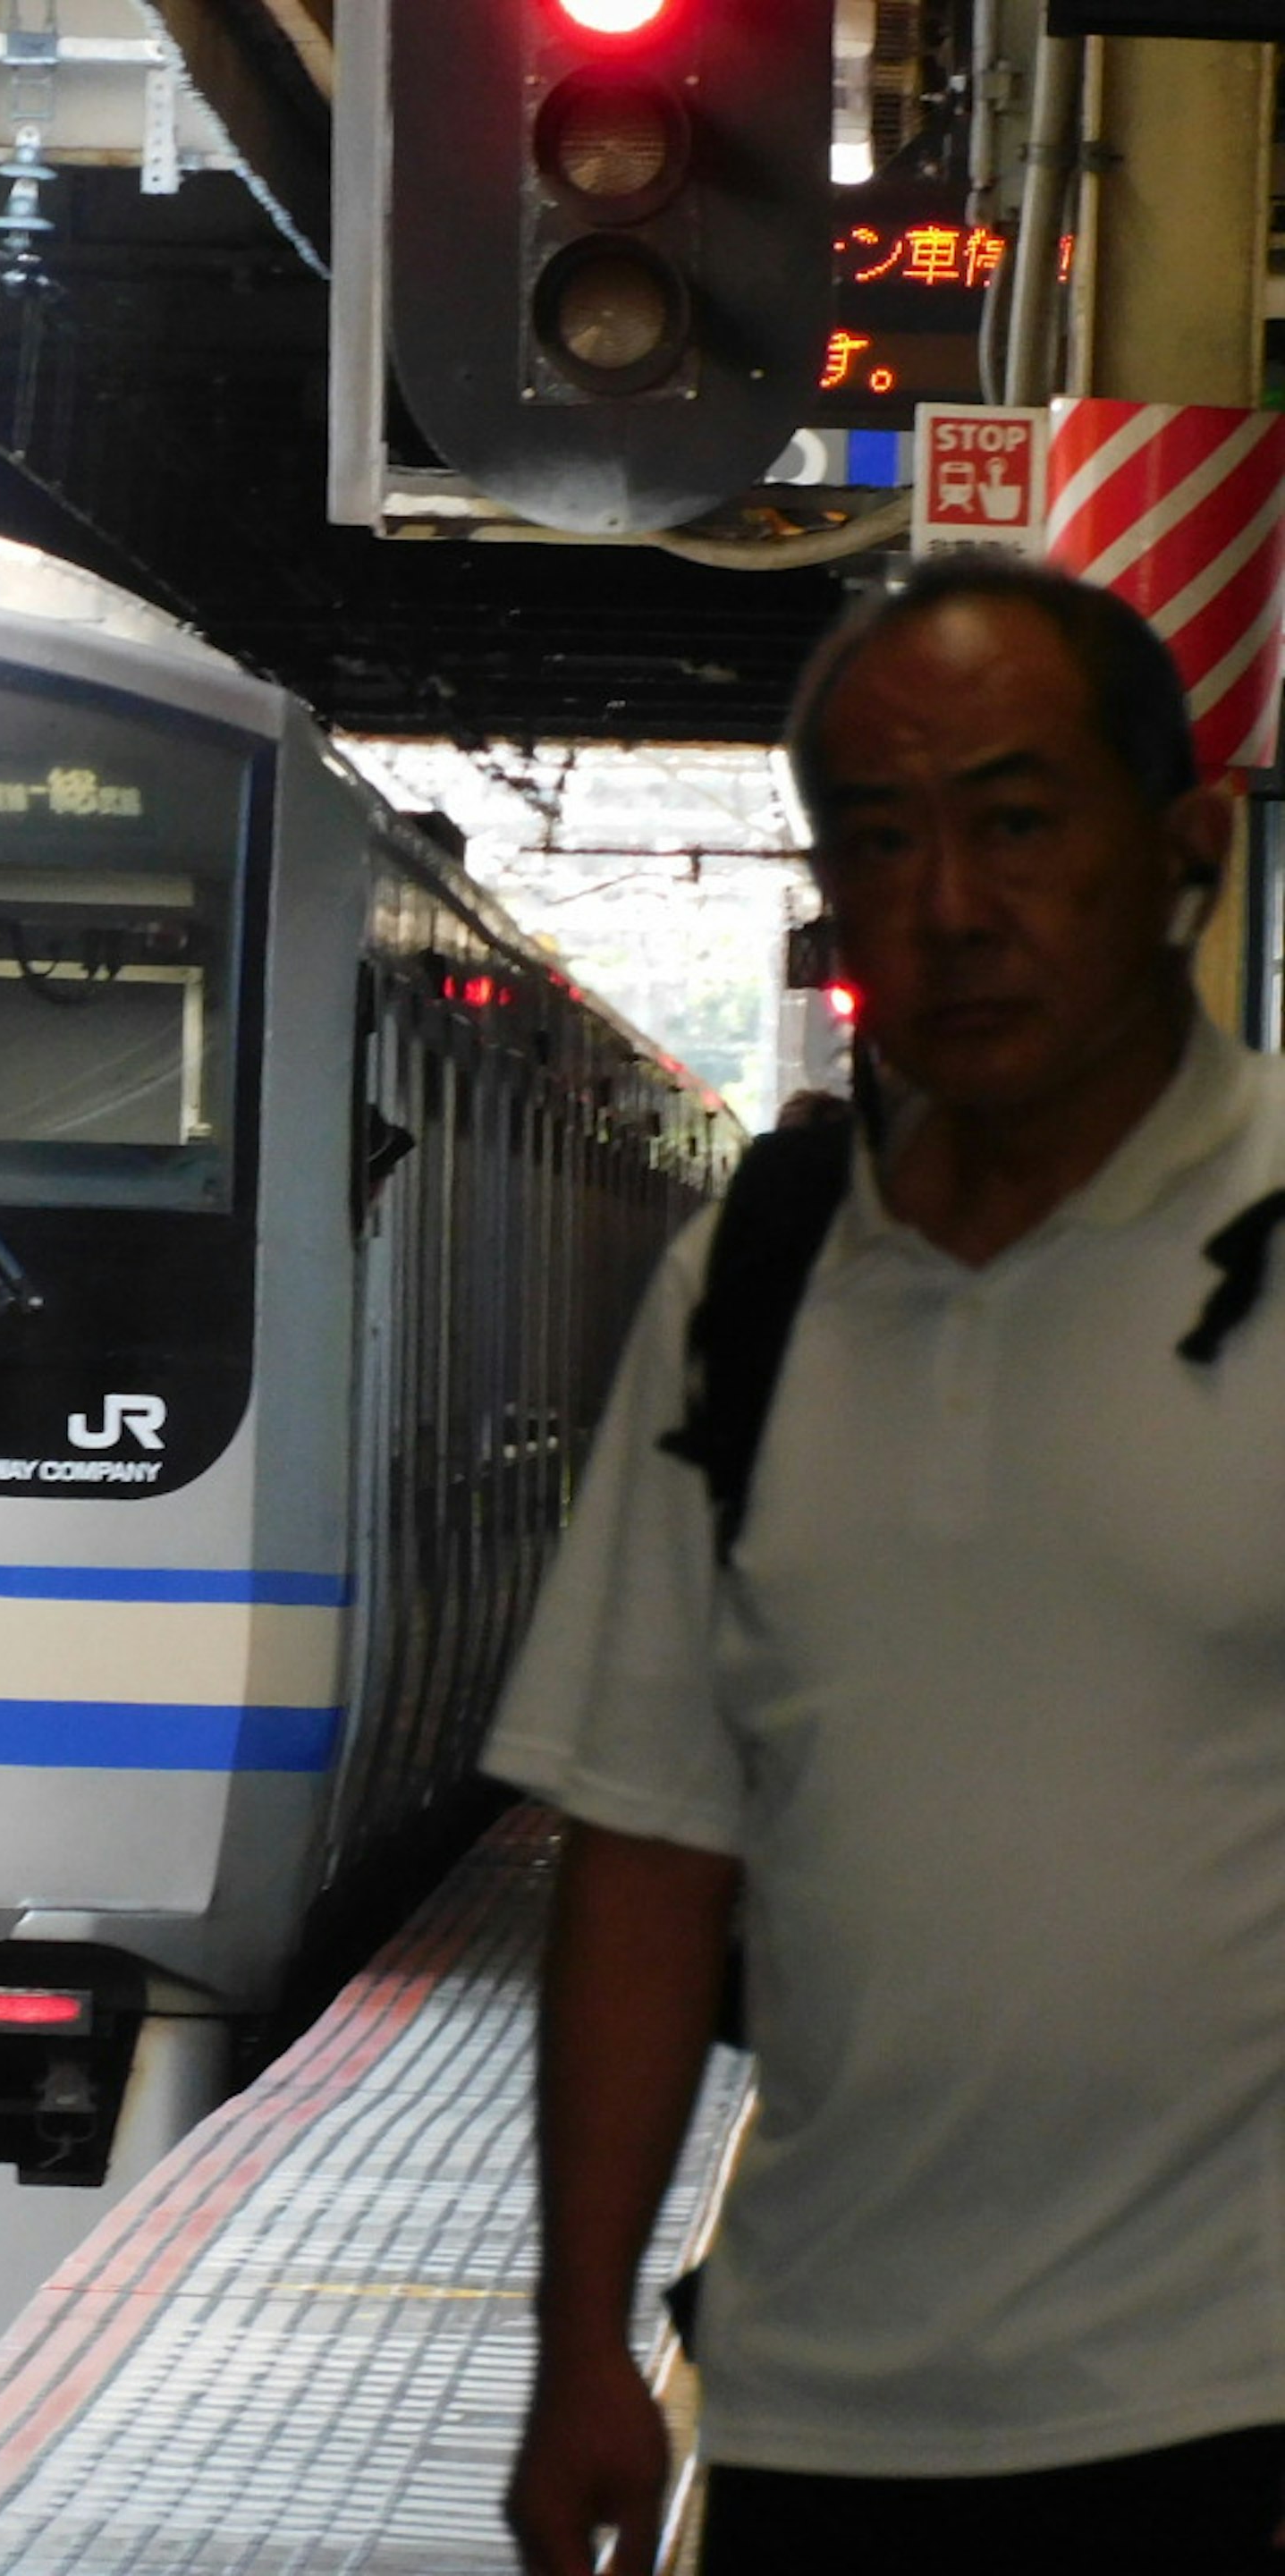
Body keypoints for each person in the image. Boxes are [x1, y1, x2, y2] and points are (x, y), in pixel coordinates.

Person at [488, 555, 1285, 2575]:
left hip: (1238, 2413)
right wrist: (583, 2339)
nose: (949, 904)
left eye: (1018, 822)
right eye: (881, 838)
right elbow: (655, 1840)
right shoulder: (752, 1281)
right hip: (820, 2418)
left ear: (1185, 850)